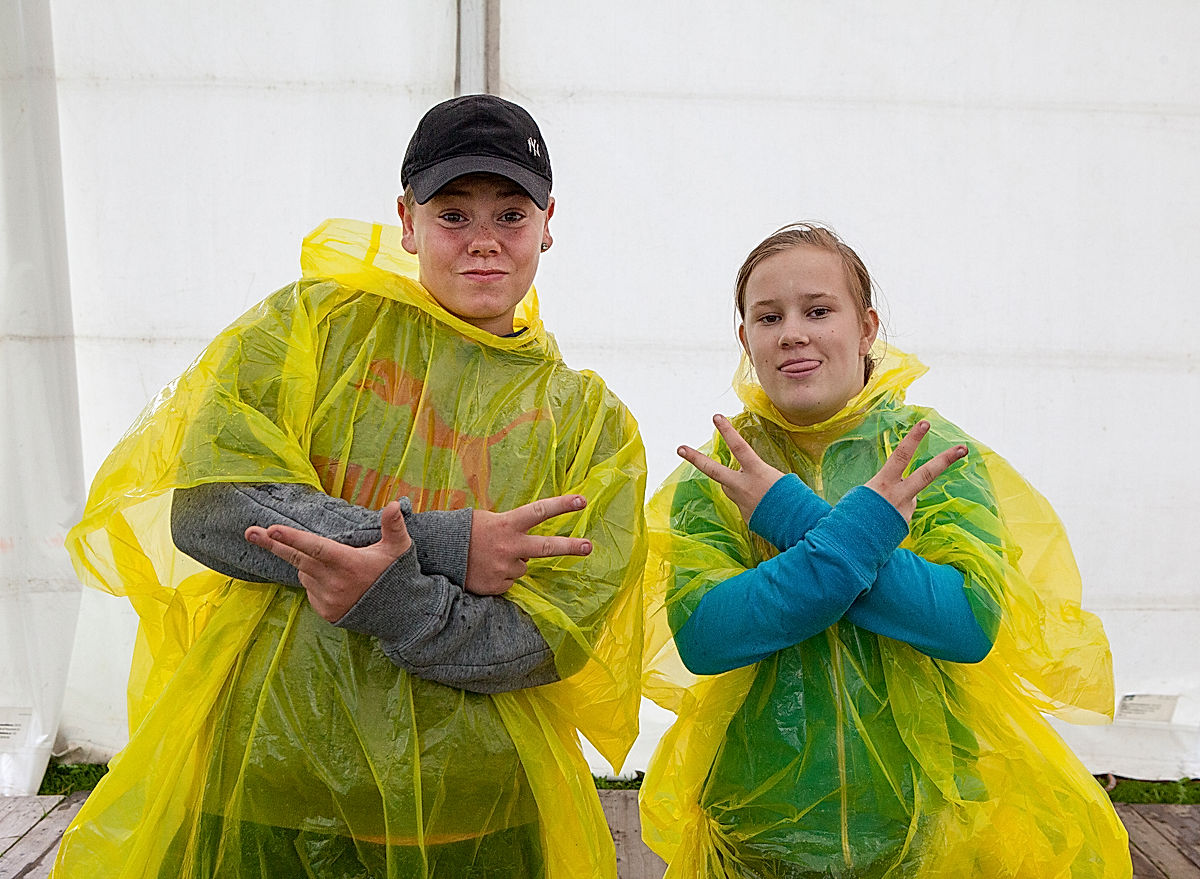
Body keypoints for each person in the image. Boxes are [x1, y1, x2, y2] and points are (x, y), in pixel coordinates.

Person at [56, 95, 647, 879]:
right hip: (267, 788)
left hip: (470, 816)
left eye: (509, 214)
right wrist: (449, 542)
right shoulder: (310, 328)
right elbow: (211, 506)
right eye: (452, 214)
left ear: (548, 223)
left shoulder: (591, 424)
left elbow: (549, 639)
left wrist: (391, 597)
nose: (482, 241)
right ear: (406, 220)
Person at [639, 223, 1130, 878]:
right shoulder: (720, 472)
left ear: (866, 328)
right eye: (768, 316)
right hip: (757, 830)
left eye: (818, 310)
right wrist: (858, 540)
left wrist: (793, 515)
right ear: (745, 339)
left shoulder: (928, 451)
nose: (792, 332)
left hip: (923, 830)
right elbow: (707, 635)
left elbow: (966, 622)